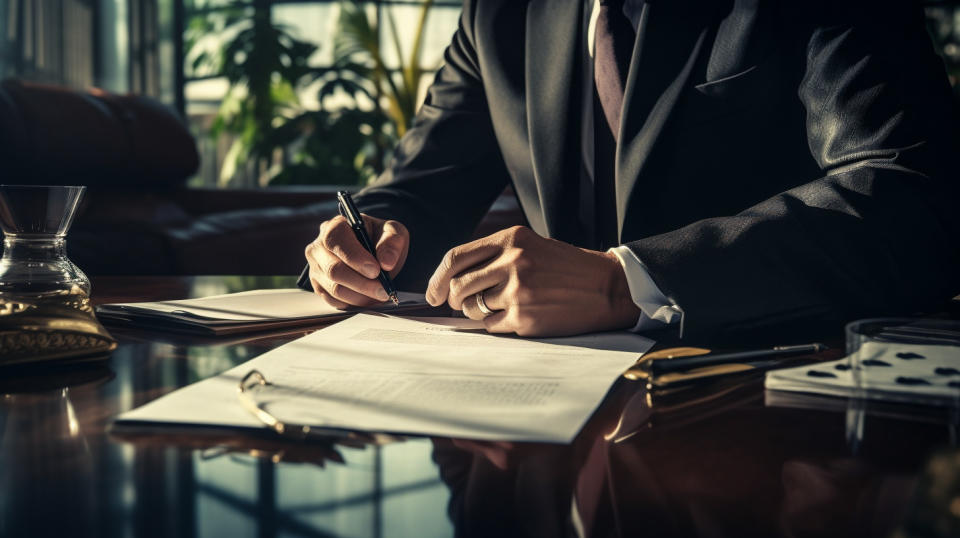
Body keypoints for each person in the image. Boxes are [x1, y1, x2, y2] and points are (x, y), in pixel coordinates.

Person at [303, 0, 960, 339]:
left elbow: (912, 197)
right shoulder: (498, 14)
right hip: (541, 422)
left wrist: (629, 283)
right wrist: (364, 242)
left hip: (768, 403)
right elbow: (415, 192)